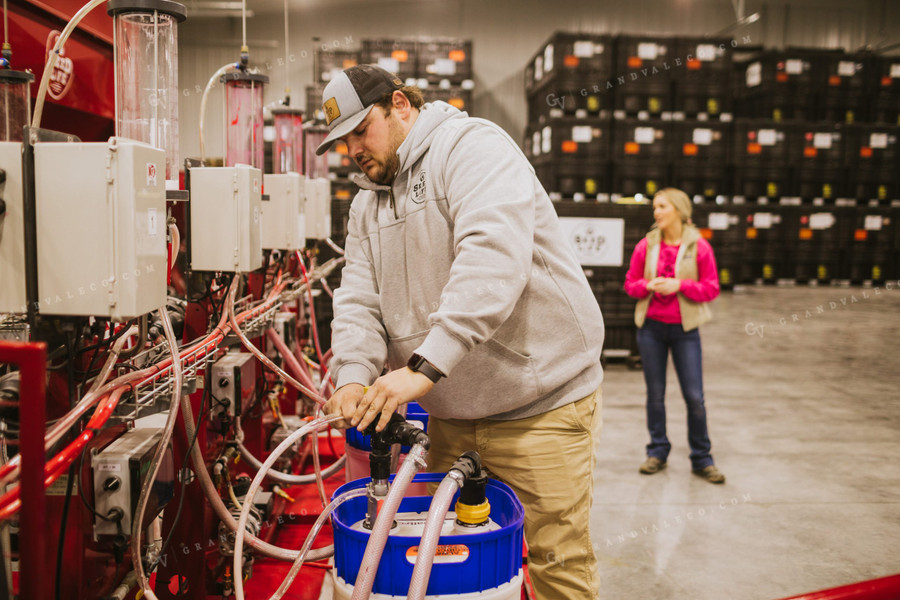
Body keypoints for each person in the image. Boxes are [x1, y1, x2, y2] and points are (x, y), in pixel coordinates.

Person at [317, 64, 605, 599]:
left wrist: (423, 367)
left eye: (362, 130)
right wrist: (352, 376)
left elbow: (492, 260)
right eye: (342, 140)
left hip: (540, 405)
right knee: (442, 560)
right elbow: (358, 298)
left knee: (557, 563)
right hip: (452, 415)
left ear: (400, 104)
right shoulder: (365, 205)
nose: (353, 149)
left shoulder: (472, 149)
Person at [624, 188, 725, 484]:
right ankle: (657, 451)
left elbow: (712, 288)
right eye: (655, 207)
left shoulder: (699, 246)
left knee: (694, 397)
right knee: (655, 395)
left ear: (679, 211)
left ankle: (702, 458)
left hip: (686, 332)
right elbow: (631, 285)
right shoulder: (647, 245)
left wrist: (680, 285)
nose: (656, 212)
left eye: (662, 207)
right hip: (651, 330)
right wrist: (649, 285)